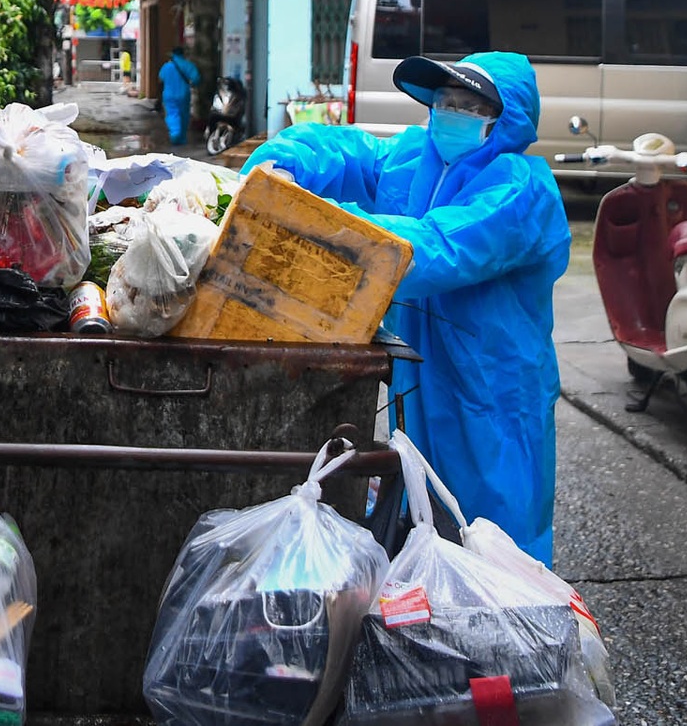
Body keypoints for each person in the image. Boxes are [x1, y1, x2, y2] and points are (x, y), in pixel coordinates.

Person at [241, 51, 570, 564]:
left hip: (493, 394)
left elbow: (432, 248)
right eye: (443, 101)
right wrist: (282, 164)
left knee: (495, 540)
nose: (449, 113)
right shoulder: (417, 157)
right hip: (422, 380)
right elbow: (348, 150)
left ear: (504, 120)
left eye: (468, 104)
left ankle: (509, 633)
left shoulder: (521, 190)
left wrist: (320, 217)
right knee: (422, 522)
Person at [159, 45, 201, 146]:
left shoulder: (166, 66)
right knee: (184, 115)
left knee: (172, 114)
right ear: (183, 54)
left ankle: (175, 134)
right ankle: (182, 138)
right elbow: (196, 79)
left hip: (169, 95)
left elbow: (160, 78)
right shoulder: (188, 65)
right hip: (184, 94)